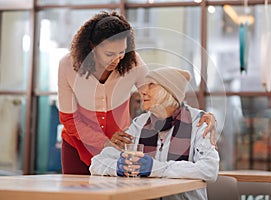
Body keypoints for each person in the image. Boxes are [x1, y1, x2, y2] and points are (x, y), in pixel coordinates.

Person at [58, 10, 217, 175]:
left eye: (122, 52)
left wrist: (198, 117)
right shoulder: (68, 66)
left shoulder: (132, 63)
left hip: (119, 143)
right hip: (77, 144)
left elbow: (160, 94)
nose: (117, 59)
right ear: (92, 47)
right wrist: (103, 141)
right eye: (109, 54)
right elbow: (69, 118)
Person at [89, 67, 220, 200]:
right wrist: (117, 167)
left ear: (170, 92)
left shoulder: (199, 122)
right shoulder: (139, 124)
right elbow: (97, 163)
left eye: (151, 85)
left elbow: (209, 169)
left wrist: (157, 168)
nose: (143, 91)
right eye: (144, 86)